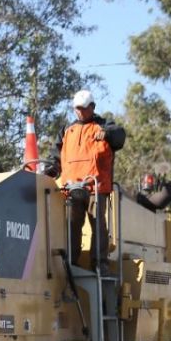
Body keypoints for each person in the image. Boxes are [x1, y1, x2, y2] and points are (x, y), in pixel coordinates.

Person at [46, 90, 126, 267]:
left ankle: (99, 263)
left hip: (95, 188)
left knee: (97, 223)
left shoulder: (103, 125)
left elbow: (120, 135)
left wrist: (108, 134)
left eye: (84, 108)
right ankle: (71, 263)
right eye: (77, 109)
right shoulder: (67, 130)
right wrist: (49, 170)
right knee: (73, 225)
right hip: (71, 187)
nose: (80, 112)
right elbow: (55, 155)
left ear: (92, 107)